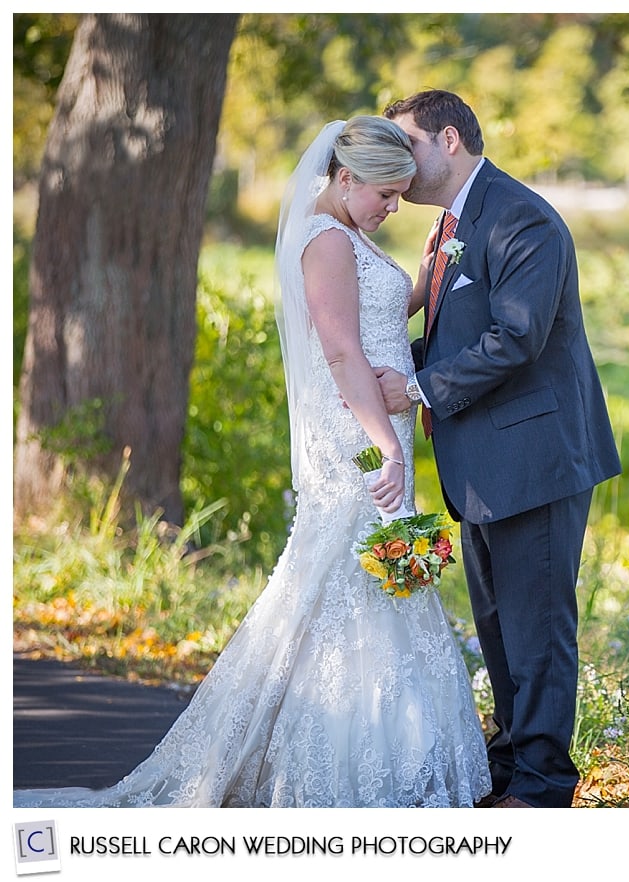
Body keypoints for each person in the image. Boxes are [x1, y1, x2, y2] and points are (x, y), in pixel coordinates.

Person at [13, 116, 491, 808]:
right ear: (345, 177)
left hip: (375, 424)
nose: (392, 207)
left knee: (360, 580)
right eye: (385, 194)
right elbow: (340, 352)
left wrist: (425, 275)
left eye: (398, 196)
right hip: (356, 434)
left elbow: (378, 316)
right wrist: (384, 443)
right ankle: (337, 758)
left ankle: (388, 747)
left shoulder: (348, 236)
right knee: (351, 573)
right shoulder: (325, 243)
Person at [374, 90, 621, 808]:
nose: (398, 164)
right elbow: (461, 331)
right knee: (501, 631)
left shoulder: (522, 218)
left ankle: (545, 785)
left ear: (449, 139)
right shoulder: (456, 222)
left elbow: (516, 338)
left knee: (538, 629)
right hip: (482, 462)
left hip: (534, 460)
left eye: (407, 145)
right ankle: (513, 766)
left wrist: (417, 387)